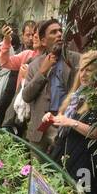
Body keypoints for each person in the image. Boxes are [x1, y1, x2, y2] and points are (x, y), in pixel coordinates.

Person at [48, 50, 97, 194]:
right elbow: (63, 120)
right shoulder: (77, 95)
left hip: (85, 165)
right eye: (81, 69)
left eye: (88, 70)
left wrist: (70, 122)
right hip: (64, 156)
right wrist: (52, 119)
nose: (83, 74)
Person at [23, 18, 81, 148]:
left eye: (60, 31)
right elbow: (26, 96)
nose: (59, 34)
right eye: (53, 32)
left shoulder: (76, 59)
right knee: (37, 168)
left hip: (64, 125)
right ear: (43, 41)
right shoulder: (34, 65)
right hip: (40, 127)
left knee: (60, 166)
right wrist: (42, 71)